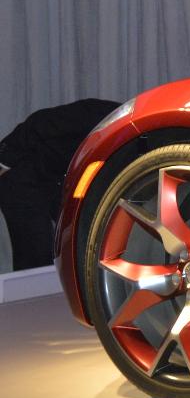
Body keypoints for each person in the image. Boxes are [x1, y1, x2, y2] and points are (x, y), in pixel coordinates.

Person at [0, 97, 120, 270]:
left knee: (81, 245)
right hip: (23, 177)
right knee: (36, 254)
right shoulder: (106, 115)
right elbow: (38, 123)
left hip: (61, 182)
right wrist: (3, 161)